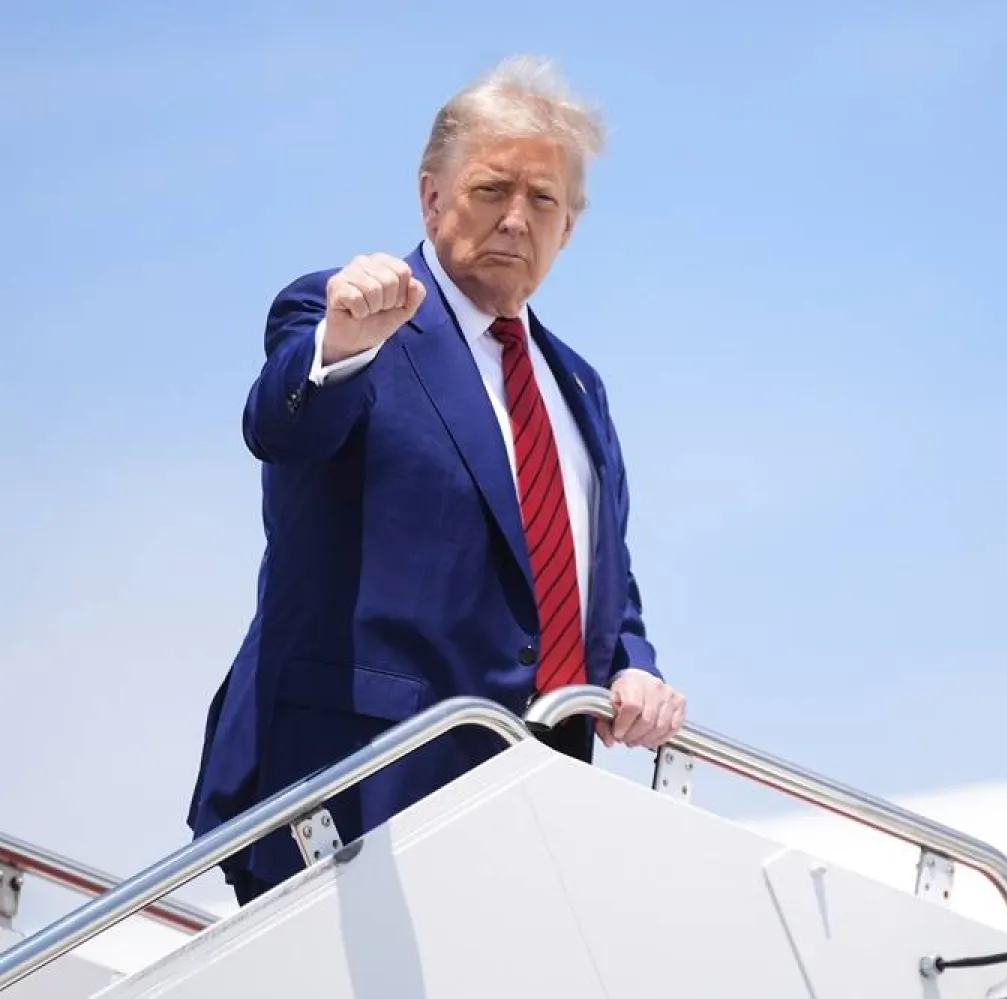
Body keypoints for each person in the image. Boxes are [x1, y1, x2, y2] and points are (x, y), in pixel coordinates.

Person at [186, 55, 687, 906]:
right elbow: (280, 424)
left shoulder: (579, 389)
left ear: (570, 228)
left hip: (533, 821)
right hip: (347, 800)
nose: (517, 221)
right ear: (430, 196)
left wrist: (632, 666)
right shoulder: (345, 315)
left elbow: (595, 571)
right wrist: (342, 344)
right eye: (493, 190)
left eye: (544, 202)